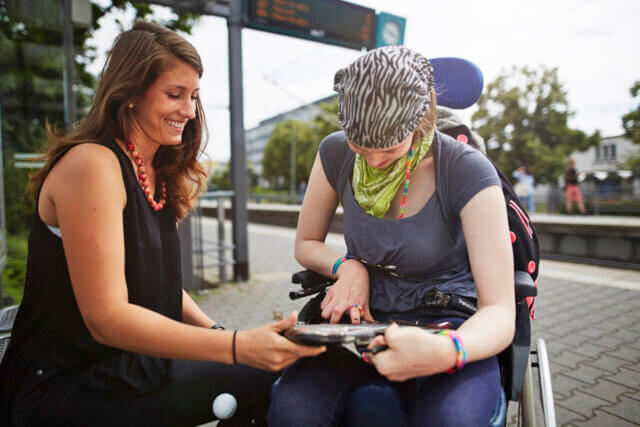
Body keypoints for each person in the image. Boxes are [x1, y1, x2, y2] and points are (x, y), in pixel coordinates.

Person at [0, 22, 324, 427]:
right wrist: (236, 347)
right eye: (174, 94)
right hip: (68, 386)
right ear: (131, 92)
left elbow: (166, 288)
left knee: (278, 373)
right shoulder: (92, 165)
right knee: (265, 377)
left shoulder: (156, 171)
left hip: (129, 369)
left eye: (193, 96)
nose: (189, 110)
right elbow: (106, 318)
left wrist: (220, 331)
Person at [268, 46, 515, 426]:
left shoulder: (466, 171)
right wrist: (347, 266)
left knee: (450, 421)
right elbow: (306, 243)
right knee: (293, 412)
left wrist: (450, 351)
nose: (372, 161)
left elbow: (499, 310)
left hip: (448, 323)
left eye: (388, 148)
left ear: (422, 120)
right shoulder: (335, 152)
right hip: (360, 324)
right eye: (359, 145)